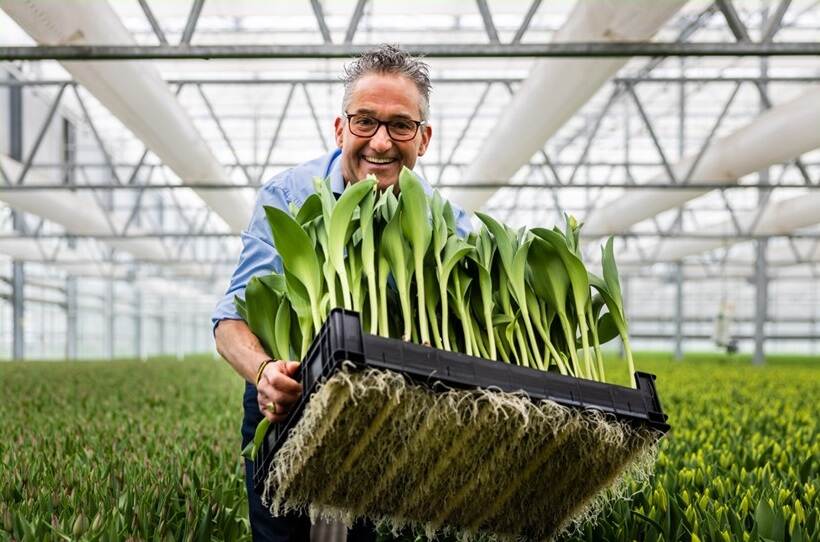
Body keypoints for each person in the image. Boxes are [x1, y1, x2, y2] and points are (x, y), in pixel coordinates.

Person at [212, 44, 472, 541]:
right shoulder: (290, 196)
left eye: (400, 125)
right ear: (340, 128)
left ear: (424, 138)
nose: (381, 142)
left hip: (394, 411)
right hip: (289, 400)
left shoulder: (447, 223)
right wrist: (265, 373)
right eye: (365, 121)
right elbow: (230, 321)